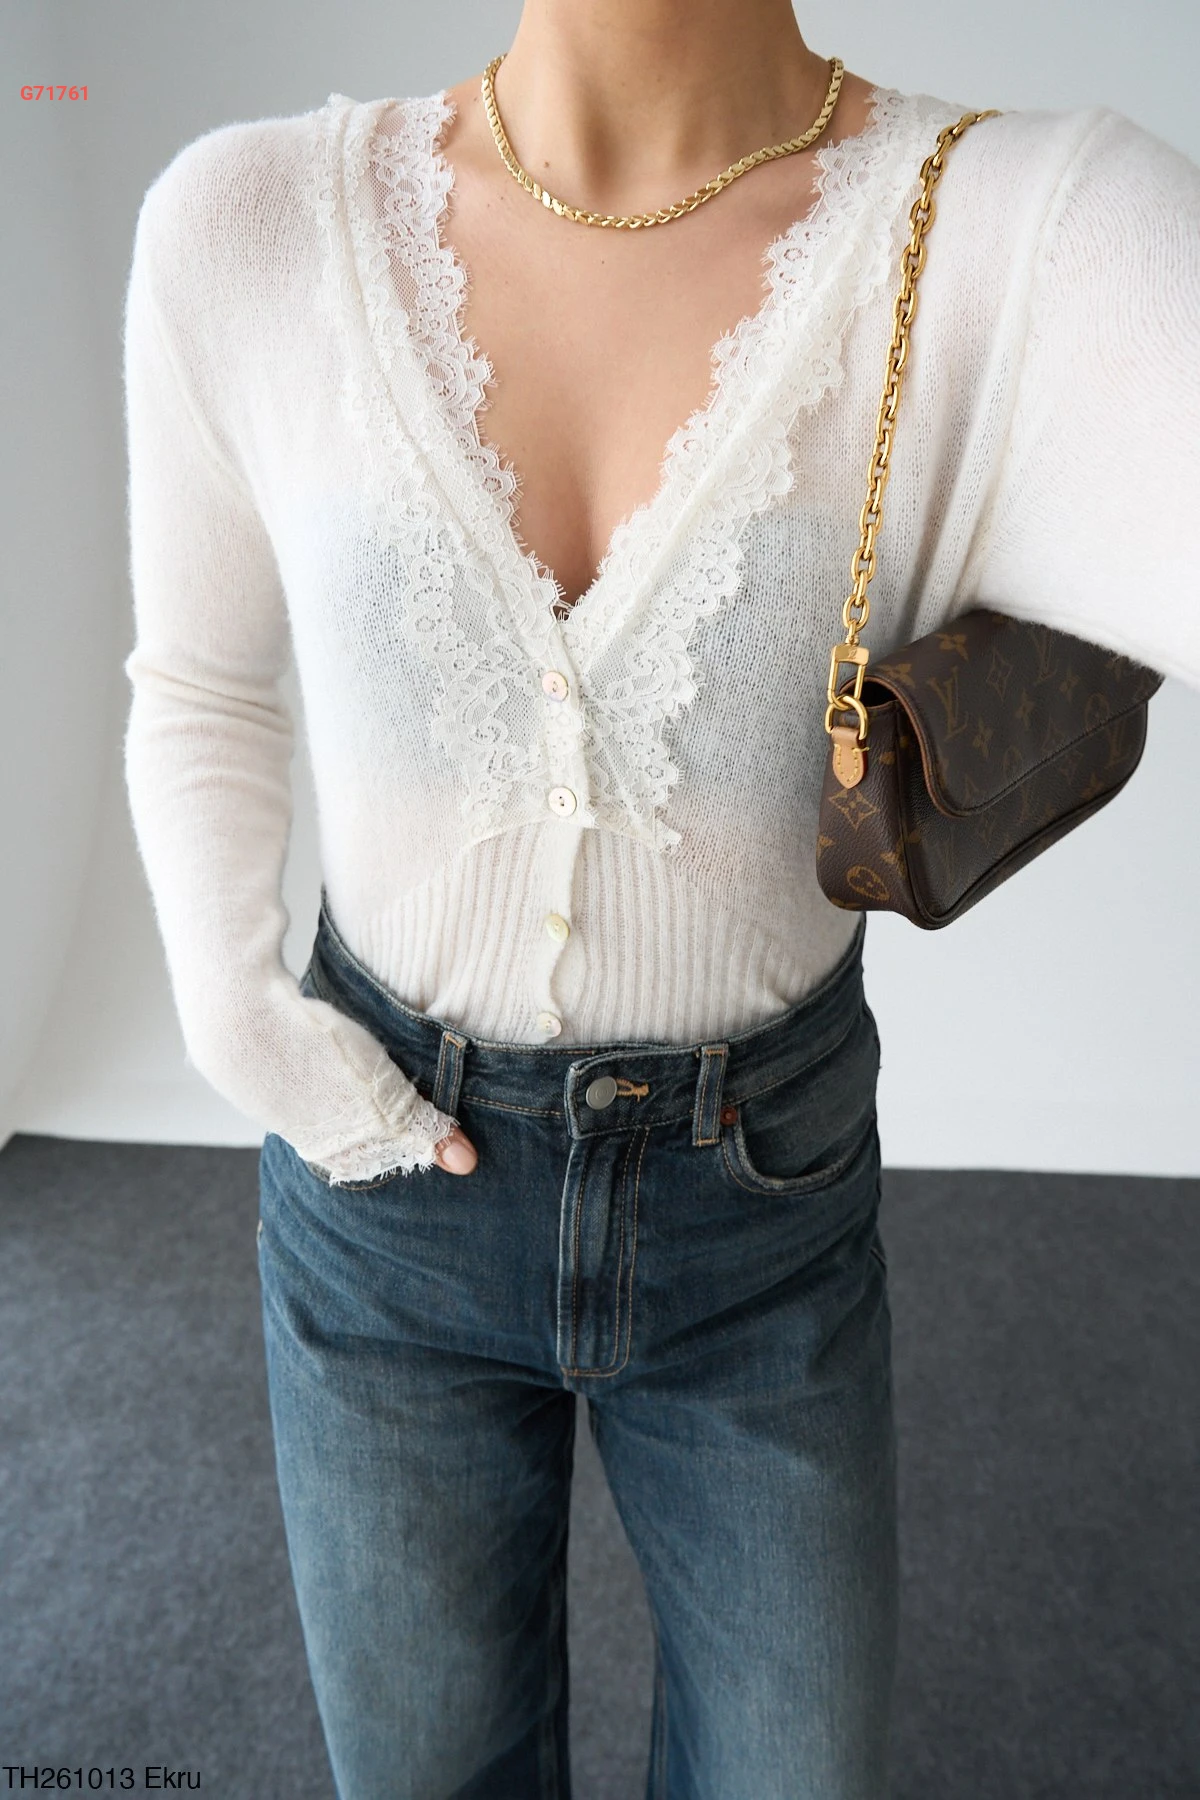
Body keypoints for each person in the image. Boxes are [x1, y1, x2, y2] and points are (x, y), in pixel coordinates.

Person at [121, 0, 1200, 1793]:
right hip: (380, 1190)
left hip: (757, 1206)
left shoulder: (1015, 231)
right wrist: (238, 1016)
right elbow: (203, 685)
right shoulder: (251, 223)